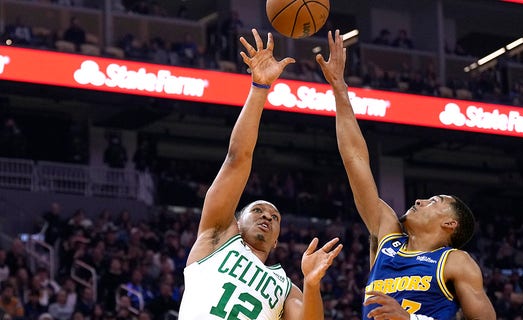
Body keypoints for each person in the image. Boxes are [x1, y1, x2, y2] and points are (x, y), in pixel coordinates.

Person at [315, 30, 496, 320]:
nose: (421, 200)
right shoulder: (387, 234)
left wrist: (410, 319)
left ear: (450, 223)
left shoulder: (454, 262)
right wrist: (339, 88)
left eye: (435, 200)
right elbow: (355, 160)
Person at [178, 29, 343, 320]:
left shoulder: (286, 288)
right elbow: (236, 159)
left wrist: (312, 284)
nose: (267, 216)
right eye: (257, 211)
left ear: (278, 240)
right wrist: (259, 88)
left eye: (275, 217)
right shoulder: (216, 236)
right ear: (236, 220)